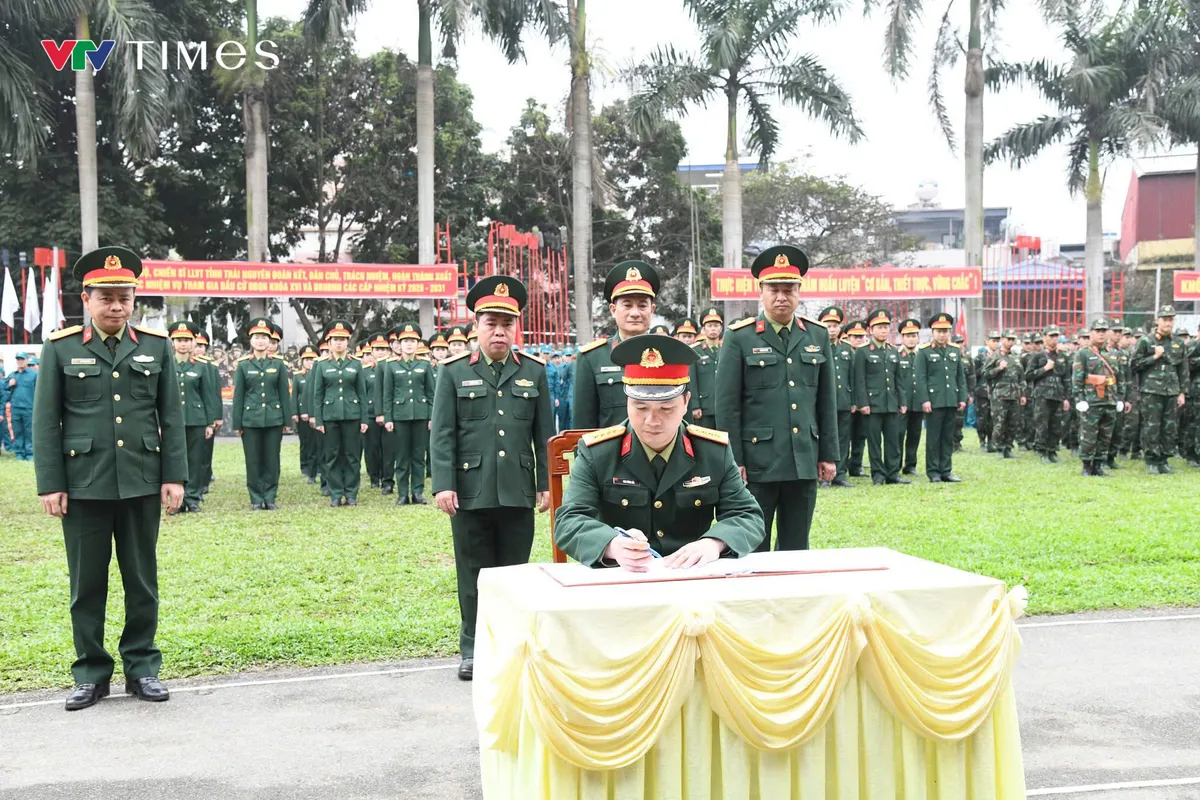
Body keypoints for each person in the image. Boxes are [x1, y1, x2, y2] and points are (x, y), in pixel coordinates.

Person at [33, 246, 186, 711]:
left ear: (134, 299)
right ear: (87, 298)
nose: (116, 306)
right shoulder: (60, 348)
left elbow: (172, 418)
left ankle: (142, 668)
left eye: (124, 298)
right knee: (87, 584)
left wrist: (174, 477)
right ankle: (91, 673)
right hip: (83, 484)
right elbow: (46, 420)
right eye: (106, 298)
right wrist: (50, 483)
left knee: (141, 581)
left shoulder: (157, 347)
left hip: (141, 479)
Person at [430, 275, 554, 681]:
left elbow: (543, 434)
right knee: (473, 573)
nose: (499, 331)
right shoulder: (452, 373)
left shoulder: (533, 372)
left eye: (506, 324)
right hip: (469, 491)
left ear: (515, 327)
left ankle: (513, 646)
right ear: (476, 327)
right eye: (490, 324)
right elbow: (443, 433)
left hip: (517, 490)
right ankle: (473, 648)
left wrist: (545, 484)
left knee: (514, 574)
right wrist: (444, 483)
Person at [554, 334, 764, 570]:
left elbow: (748, 516)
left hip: (691, 577)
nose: (652, 420)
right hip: (623, 579)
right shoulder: (599, 452)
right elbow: (569, 521)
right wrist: (612, 545)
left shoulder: (712, 451)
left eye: (666, 408)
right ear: (627, 402)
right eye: (641, 407)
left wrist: (714, 543)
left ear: (686, 402)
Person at [715, 245, 837, 551]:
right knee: (753, 546)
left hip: (803, 459)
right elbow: (727, 405)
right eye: (774, 289)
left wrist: (828, 454)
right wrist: (735, 460)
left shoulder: (817, 335)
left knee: (797, 546)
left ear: (799, 292)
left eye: (789, 289)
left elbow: (826, 400)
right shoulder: (740, 336)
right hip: (758, 462)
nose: (781, 296)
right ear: (760, 292)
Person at [573, 261, 659, 429]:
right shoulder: (592, 358)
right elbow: (583, 425)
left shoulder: (670, 354)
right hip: (610, 454)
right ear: (613, 310)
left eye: (642, 305)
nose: (635, 313)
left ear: (652, 309)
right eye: (627, 305)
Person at [232, 318, 294, 510]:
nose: (260, 341)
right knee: (253, 460)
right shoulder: (243, 365)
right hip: (250, 420)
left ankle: (270, 496)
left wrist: (287, 420)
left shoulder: (278, 364)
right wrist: (237, 423)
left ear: (270, 341)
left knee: (272, 460)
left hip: (273, 419)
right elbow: (239, 396)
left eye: (264, 337)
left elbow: (284, 394)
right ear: (251, 340)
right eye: (257, 337)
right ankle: (256, 498)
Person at [312, 320, 369, 505]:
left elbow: (362, 393)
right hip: (330, 417)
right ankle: (336, 493)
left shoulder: (356, 364)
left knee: (353, 456)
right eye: (335, 339)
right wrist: (319, 419)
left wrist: (364, 418)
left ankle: (351, 493)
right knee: (332, 456)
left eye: (343, 339)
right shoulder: (321, 365)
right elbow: (318, 394)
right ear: (328, 343)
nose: (339, 343)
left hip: (352, 416)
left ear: (348, 342)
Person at [1130, 305, 1189, 474]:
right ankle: (1151, 460)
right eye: (1165, 319)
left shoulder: (1178, 342)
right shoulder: (1146, 341)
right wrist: (1154, 357)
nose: (1168, 323)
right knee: (1151, 426)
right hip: (1151, 391)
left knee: (1169, 427)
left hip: (1171, 391)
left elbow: (1183, 369)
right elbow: (1134, 365)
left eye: (1171, 320)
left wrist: (1182, 392)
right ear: (1157, 321)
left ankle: (1163, 459)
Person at [853, 308, 908, 485]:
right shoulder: (863, 352)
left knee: (893, 440)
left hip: (891, 403)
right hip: (872, 404)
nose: (884, 330)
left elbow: (898, 379)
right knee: (874, 442)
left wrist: (902, 401)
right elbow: (859, 380)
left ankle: (893, 474)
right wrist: (862, 403)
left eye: (886, 327)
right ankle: (878, 474)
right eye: (879, 327)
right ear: (871, 330)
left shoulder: (893, 351)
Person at [380, 323, 434, 504]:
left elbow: (431, 392)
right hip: (400, 416)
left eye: (412, 341)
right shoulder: (391, 366)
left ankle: (417, 492)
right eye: (405, 341)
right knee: (402, 457)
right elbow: (387, 394)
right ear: (399, 345)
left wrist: (432, 416)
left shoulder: (425, 364)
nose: (409, 344)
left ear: (418, 344)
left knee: (419, 456)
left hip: (421, 415)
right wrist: (388, 418)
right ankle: (403, 493)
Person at [168, 321, 219, 513]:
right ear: (172, 342)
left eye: (187, 340)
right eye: (179, 340)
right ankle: (177, 499)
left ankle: (192, 497)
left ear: (193, 343)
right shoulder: (167, 364)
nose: (183, 344)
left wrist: (209, 422)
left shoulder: (201, 366)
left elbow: (208, 395)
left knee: (195, 460)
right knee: (175, 459)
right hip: (173, 421)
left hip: (196, 419)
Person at [914, 313, 968, 482]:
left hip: (950, 400)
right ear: (932, 332)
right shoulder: (924, 351)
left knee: (947, 437)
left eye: (945, 331)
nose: (942, 334)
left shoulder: (954, 350)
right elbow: (920, 378)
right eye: (939, 331)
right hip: (934, 401)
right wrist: (925, 399)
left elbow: (960, 377)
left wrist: (962, 397)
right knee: (933, 438)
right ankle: (933, 471)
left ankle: (946, 470)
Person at [1073, 319, 1120, 476]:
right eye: (1097, 331)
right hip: (1091, 400)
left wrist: (1120, 398)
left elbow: (1118, 378)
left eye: (1103, 331)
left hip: (1110, 399)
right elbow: (1078, 378)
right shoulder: (1083, 353)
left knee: (1105, 435)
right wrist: (1079, 399)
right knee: (1089, 435)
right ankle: (1087, 465)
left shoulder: (1112, 354)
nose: (1101, 334)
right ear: (1091, 333)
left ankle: (1099, 465)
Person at [816, 306, 854, 488]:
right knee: (823, 438)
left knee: (843, 439)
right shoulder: (814, 347)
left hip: (844, 401)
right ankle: (823, 476)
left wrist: (855, 400)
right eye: (828, 325)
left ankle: (840, 474)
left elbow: (854, 377)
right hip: (822, 404)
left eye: (835, 325)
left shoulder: (847, 349)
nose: (832, 329)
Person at [1024, 326, 1071, 463]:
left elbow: (1066, 378)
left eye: (1056, 336)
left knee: (1056, 424)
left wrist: (1067, 397)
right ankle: (1042, 450)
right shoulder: (1038, 356)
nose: (1054, 339)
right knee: (1042, 424)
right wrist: (1044, 369)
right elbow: (1028, 375)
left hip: (1058, 394)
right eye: (1051, 336)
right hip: (1042, 395)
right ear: (1044, 337)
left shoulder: (1062, 357)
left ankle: (1052, 450)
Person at [985, 329, 1027, 458]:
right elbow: (985, 374)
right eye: (1008, 339)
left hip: (1014, 395)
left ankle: (1008, 447)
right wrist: (998, 368)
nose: (1010, 342)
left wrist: (1023, 393)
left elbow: (1021, 377)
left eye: (1013, 339)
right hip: (999, 395)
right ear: (1002, 339)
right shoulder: (994, 356)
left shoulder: (1015, 357)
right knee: (999, 423)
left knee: (1013, 423)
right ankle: (999, 448)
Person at [192, 332, 222, 494]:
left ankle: (204, 479)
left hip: (207, 413)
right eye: (196, 345)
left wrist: (217, 416)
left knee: (206, 449)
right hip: (192, 414)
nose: (198, 349)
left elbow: (214, 393)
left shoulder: (210, 365)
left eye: (201, 346)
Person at [362, 332, 391, 489]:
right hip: (371, 414)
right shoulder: (365, 371)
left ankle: (387, 477)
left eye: (383, 349)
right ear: (371, 351)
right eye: (377, 349)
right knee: (371, 449)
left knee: (388, 449)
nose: (380, 352)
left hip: (389, 415)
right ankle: (374, 477)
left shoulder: (392, 367)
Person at [896, 318, 922, 475]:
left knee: (915, 435)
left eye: (914, 335)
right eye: (908, 336)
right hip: (901, 403)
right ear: (902, 337)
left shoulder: (921, 355)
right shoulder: (896, 354)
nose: (911, 339)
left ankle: (910, 465)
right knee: (898, 434)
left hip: (917, 402)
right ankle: (896, 465)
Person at [690, 307, 723, 429]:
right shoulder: (696, 351)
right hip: (704, 407)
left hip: (723, 406)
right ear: (703, 329)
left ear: (721, 328)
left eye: (716, 325)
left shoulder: (727, 349)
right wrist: (695, 405)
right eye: (709, 326)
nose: (713, 328)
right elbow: (692, 380)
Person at [843, 320, 869, 476]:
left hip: (864, 402)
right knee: (845, 437)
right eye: (855, 336)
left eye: (861, 336)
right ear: (847, 337)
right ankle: (843, 466)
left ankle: (856, 465)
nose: (858, 339)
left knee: (860, 436)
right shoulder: (844, 352)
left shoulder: (866, 353)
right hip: (847, 402)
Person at [293, 345, 320, 482]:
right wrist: (299, 412)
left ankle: (318, 469)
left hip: (318, 414)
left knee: (318, 443)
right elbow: (297, 396)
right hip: (305, 415)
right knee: (307, 443)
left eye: (312, 359)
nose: (309, 362)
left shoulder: (319, 373)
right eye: (307, 359)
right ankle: (307, 468)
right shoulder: (299, 376)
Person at [7, 351, 37, 460]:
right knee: (17, 431)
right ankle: (19, 452)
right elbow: (4, 389)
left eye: (22, 359)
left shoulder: (34, 375)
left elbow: (40, 391)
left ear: (27, 360)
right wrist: (9, 385)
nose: (20, 361)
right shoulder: (12, 375)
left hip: (29, 408)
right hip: (15, 408)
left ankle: (30, 453)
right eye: (18, 359)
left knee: (29, 431)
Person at [974, 331, 1000, 450]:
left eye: (997, 341)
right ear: (987, 341)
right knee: (982, 417)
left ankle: (991, 441)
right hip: (982, 392)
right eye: (993, 341)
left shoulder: (1000, 356)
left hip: (997, 391)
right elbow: (974, 375)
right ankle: (982, 441)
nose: (995, 343)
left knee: (993, 417)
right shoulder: (980, 357)